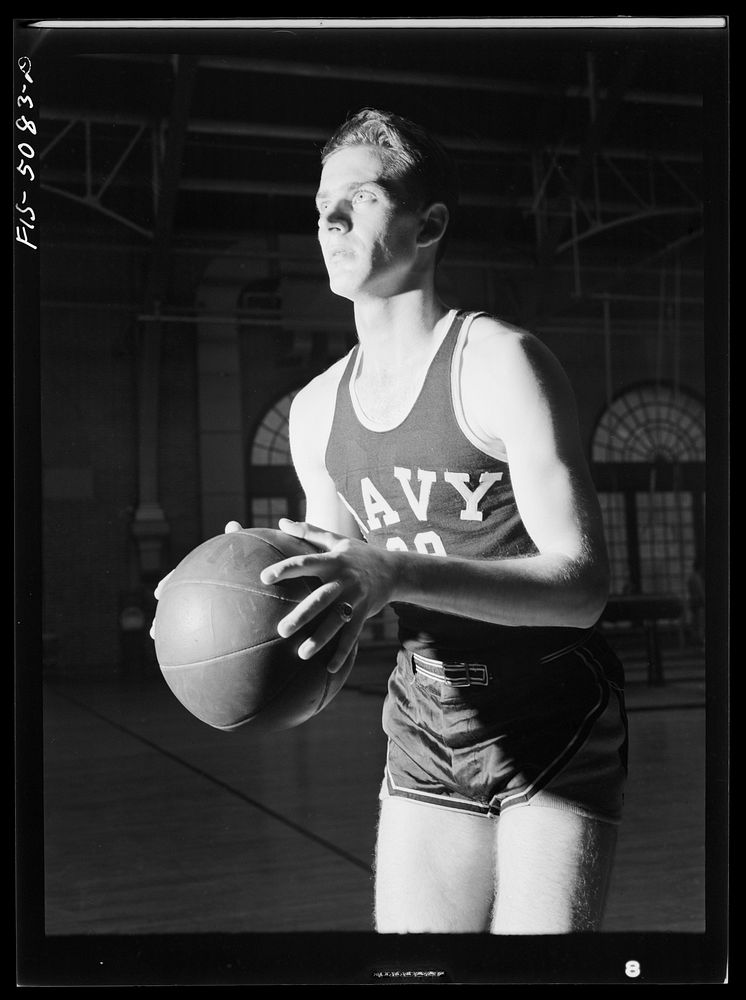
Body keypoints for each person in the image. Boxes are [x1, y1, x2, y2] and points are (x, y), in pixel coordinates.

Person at [167, 108, 629, 934]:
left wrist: (396, 571)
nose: (330, 219)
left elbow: (584, 584)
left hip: (551, 707)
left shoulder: (497, 363)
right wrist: (237, 584)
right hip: (426, 713)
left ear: (430, 223)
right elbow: (333, 594)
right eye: (321, 206)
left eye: (362, 197)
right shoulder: (315, 412)